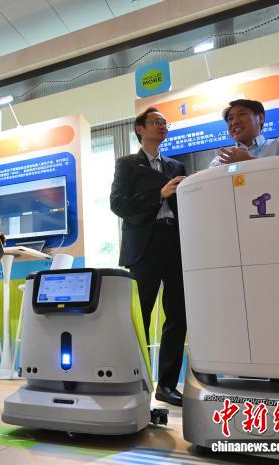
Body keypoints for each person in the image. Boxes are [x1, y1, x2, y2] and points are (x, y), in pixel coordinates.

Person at [110, 107, 187, 407]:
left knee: (178, 314)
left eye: (165, 123)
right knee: (138, 315)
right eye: (155, 122)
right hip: (144, 244)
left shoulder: (176, 165)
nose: (162, 126)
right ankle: (135, 380)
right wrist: (159, 194)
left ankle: (167, 385)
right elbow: (118, 204)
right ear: (139, 129)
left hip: (176, 242)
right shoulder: (127, 164)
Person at [209, 99, 279, 167]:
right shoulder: (221, 160)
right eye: (230, 118)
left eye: (242, 114)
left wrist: (249, 162)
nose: (234, 122)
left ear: (260, 118)